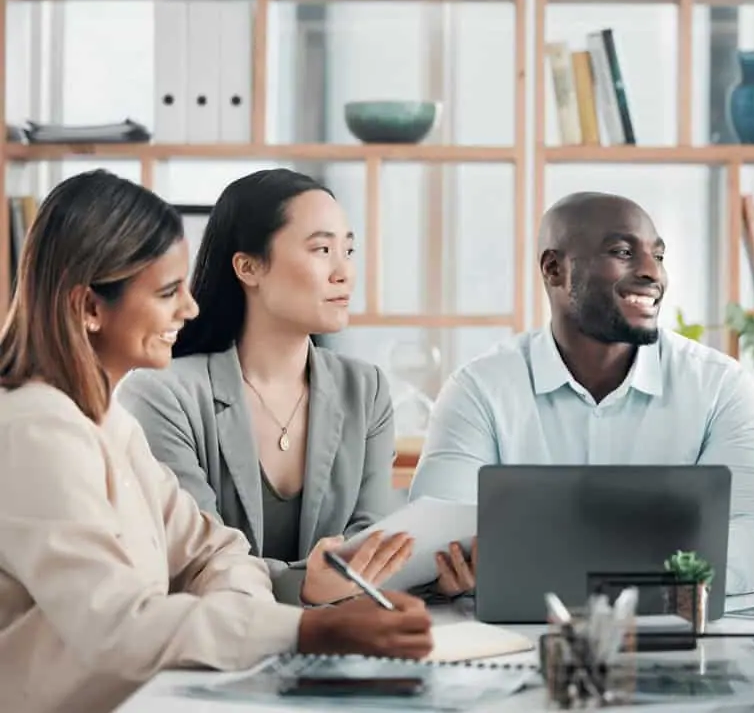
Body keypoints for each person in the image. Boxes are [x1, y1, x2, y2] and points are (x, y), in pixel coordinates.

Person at [0, 170, 432, 713]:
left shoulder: (109, 425)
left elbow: (216, 552)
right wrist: (304, 631)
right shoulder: (34, 432)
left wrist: (247, 620)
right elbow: (116, 624)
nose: (190, 307)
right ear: (89, 308)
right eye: (165, 292)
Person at [408, 191, 754, 597]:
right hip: (514, 641)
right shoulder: (478, 391)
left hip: (677, 631)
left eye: (657, 256)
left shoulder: (720, 387)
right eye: (623, 252)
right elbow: (436, 545)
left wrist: (632, 577)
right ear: (555, 270)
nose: (651, 273)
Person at [116, 168, 410, 606]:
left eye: (348, 249)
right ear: (249, 267)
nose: (343, 271)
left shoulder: (364, 390)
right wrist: (305, 586)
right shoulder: (160, 395)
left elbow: (371, 547)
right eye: (322, 249)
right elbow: (195, 562)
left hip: (340, 643)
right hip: (211, 648)